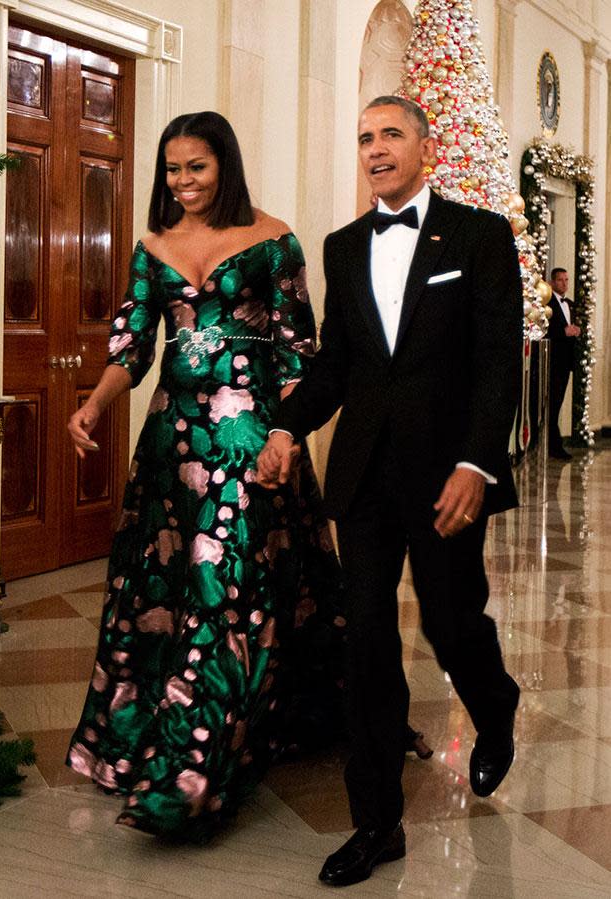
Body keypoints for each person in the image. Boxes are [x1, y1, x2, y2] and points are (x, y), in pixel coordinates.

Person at [257, 96, 522, 887]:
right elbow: (338, 361)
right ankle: (377, 822)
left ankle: (496, 702)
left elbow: (497, 360)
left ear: (425, 147)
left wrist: (476, 463)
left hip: (447, 475)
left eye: (391, 134)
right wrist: (285, 425)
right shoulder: (344, 247)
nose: (375, 149)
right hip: (365, 476)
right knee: (365, 638)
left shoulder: (479, 236)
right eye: (365, 137)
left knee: (450, 621)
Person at [65, 111, 347, 841]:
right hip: (170, 441)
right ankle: (157, 740)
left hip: (248, 440)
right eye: (172, 169)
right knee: (166, 587)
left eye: (197, 166)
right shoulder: (153, 246)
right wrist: (95, 404)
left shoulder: (272, 239)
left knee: (226, 591)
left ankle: (192, 772)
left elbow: (297, 352)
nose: (183, 182)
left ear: (226, 164)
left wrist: (285, 436)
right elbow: (131, 347)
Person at [547, 267, 580, 460]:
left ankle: (554, 444)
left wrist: (576, 331)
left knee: (557, 404)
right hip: (551, 362)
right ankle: (554, 446)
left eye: (567, 280)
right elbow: (545, 331)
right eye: (561, 280)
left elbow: (569, 328)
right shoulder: (548, 303)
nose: (565, 284)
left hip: (565, 363)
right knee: (552, 405)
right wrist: (563, 332)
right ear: (552, 282)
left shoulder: (570, 304)